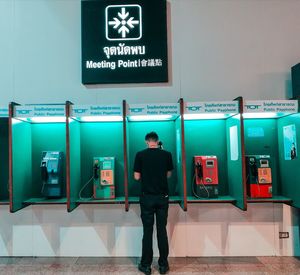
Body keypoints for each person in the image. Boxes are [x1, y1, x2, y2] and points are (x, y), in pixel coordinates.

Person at [134, 131, 173, 275]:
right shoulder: (166, 154)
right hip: (162, 197)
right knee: (162, 231)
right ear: (158, 141)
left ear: (146, 142)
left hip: (147, 198)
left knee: (147, 231)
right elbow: (168, 174)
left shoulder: (140, 155)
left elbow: (137, 177)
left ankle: (146, 265)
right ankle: (163, 265)